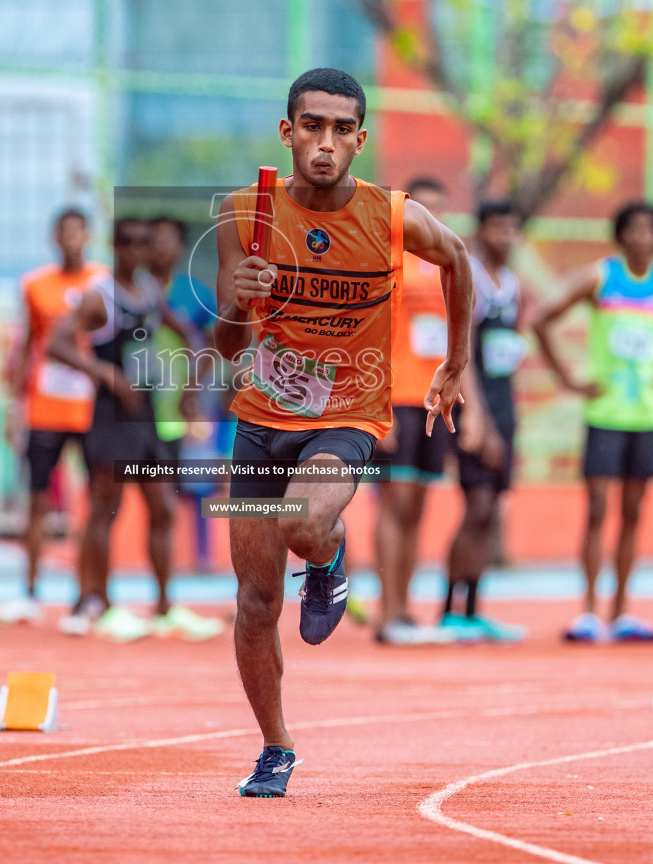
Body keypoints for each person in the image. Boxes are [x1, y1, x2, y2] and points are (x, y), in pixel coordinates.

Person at [215, 67, 473, 797]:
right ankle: (275, 747)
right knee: (256, 603)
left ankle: (327, 557)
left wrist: (454, 364)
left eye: (340, 129)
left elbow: (457, 259)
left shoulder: (393, 216)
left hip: (348, 414)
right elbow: (230, 344)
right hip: (260, 425)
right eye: (311, 126)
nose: (324, 143)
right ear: (287, 132)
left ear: (361, 139)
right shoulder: (247, 214)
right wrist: (240, 303)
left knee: (305, 522)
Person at [531, 201, 653, 643]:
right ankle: (590, 612)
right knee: (597, 510)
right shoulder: (601, 276)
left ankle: (621, 611)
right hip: (605, 414)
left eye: (649, 230)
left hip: (646, 417)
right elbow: (542, 319)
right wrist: (568, 378)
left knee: (633, 513)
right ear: (620, 234)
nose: (640, 237)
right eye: (632, 229)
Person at [46, 217, 219, 641]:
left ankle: (164, 606)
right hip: (112, 414)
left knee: (161, 505)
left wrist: (190, 391)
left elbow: (193, 336)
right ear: (116, 246)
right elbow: (56, 343)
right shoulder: (100, 296)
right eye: (131, 243)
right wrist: (104, 373)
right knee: (106, 506)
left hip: (148, 415)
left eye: (146, 243)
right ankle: (97, 603)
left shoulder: (151, 292)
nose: (140, 251)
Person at [0, 209, 106, 625]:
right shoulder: (35, 285)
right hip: (44, 407)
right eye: (64, 233)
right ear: (55, 238)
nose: (72, 240)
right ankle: (30, 592)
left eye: (78, 232)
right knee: (37, 500)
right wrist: (14, 404)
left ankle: (88, 594)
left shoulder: (102, 282)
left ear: (88, 236)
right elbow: (27, 346)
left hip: (91, 408)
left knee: (92, 504)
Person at [371, 176, 469, 644]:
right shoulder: (389, 261)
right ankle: (386, 612)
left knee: (419, 506)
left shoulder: (447, 264)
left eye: (437, 209)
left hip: (433, 398)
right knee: (396, 503)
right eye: (421, 208)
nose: (428, 217)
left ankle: (405, 609)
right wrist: (378, 403)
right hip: (395, 396)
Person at [440, 199, 529, 643]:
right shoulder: (470, 278)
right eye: (497, 228)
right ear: (481, 231)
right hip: (475, 410)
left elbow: (510, 353)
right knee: (475, 506)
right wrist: (477, 417)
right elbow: (465, 355)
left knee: (490, 511)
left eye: (511, 229)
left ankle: (473, 610)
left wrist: (511, 418)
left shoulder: (514, 286)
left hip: (505, 407)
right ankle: (448, 609)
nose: (505, 237)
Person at [147, 216, 225, 575]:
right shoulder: (132, 290)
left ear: (180, 248)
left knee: (197, 480)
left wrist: (193, 390)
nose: (161, 248)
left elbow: (211, 344)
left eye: (168, 240)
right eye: (155, 241)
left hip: (189, 400)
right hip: (145, 399)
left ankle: (202, 556)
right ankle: (163, 559)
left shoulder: (196, 293)